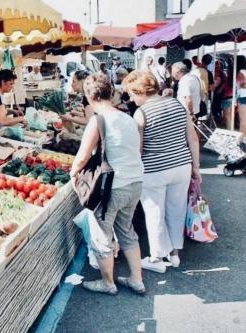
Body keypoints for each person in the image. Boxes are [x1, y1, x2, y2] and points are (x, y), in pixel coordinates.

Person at [70, 73, 145, 295]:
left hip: (112, 186)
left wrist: (73, 173)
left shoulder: (98, 119)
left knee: (101, 235)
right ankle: (136, 280)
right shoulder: (128, 118)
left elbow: (82, 156)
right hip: (134, 182)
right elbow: (137, 150)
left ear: (88, 95)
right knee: (127, 231)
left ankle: (107, 283)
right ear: (111, 93)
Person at [123, 70, 201, 272]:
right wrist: (196, 168)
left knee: (154, 212)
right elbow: (192, 138)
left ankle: (157, 258)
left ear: (140, 91)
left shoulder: (141, 113)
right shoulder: (177, 104)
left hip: (154, 169)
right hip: (181, 166)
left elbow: (137, 149)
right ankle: (174, 254)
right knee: (177, 209)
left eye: (132, 94)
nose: (131, 98)